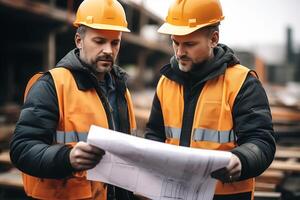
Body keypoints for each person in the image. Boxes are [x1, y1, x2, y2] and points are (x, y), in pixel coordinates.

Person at [145, 0, 276, 199]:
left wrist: (240, 160)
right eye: (175, 42)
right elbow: (155, 134)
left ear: (213, 39)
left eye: (189, 44)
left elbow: (261, 141)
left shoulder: (242, 83)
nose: (180, 52)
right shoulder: (166, 82)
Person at [10, 0, 137, 199]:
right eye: (99, 41)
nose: (108, 50)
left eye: (115, 42)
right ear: (79, 40)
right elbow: (22, 150)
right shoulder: (52, 85)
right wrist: (67, 158)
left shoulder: (121, 91)